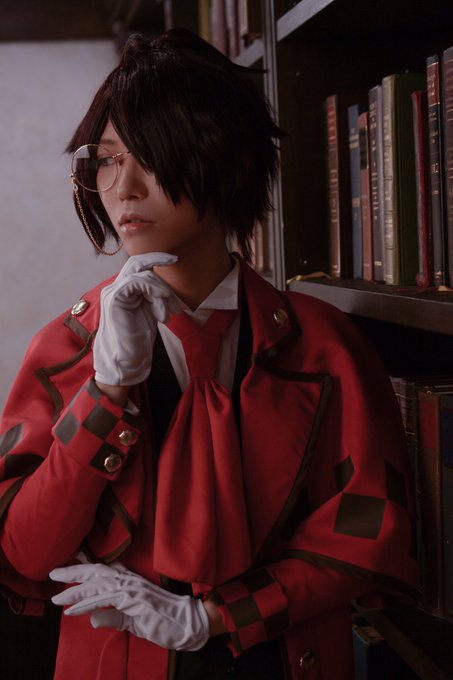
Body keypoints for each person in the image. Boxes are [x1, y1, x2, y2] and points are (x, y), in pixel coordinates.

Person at [0, 28, 417, 680]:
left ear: (227, 157)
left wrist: (213, 617)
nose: (124, 187)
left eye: (150, 155)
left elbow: (368, 532)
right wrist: (106, 392)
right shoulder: (64, 350)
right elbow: (25, 550)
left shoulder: (324, 344)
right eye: (105, 160)